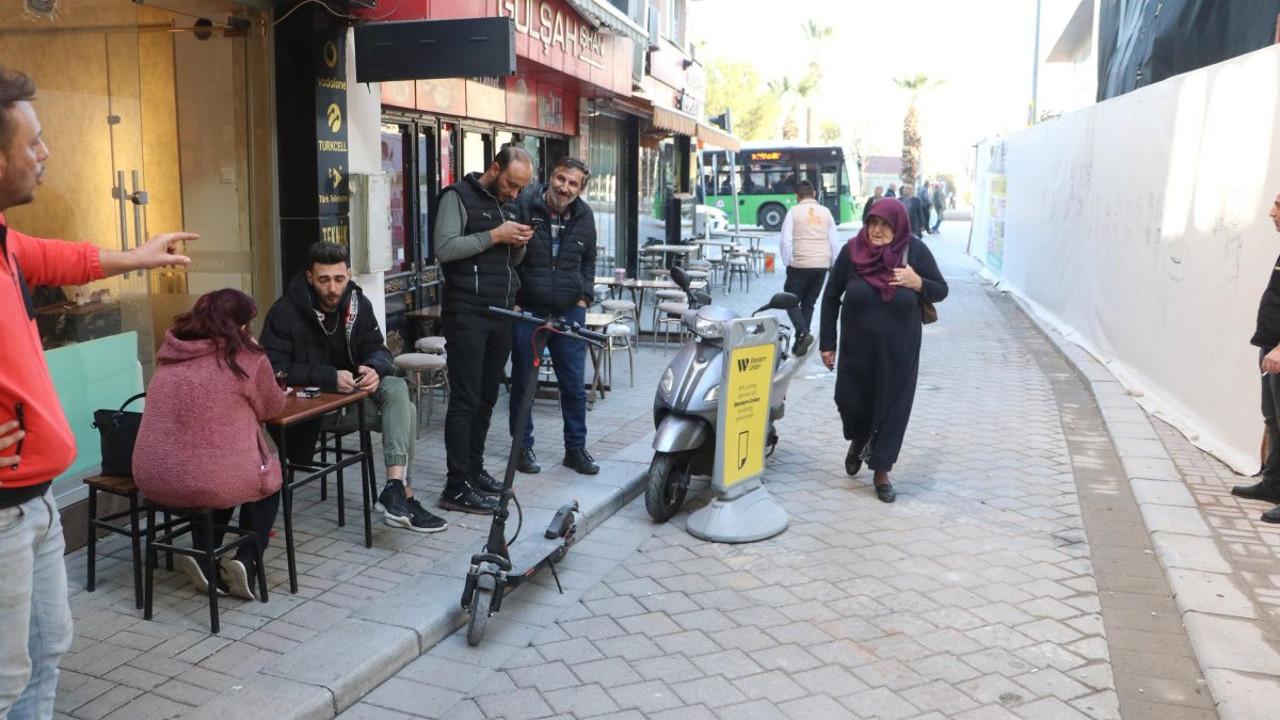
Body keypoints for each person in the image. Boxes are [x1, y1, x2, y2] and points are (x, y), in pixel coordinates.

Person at [0, 66, 196, 720]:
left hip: (33, 507)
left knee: (46, 650)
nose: (45, 153)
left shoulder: (3, 242)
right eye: (33, 142)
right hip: (2, 513)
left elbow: (62, 258)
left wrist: (138, 258)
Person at [260, 242, 447, 533]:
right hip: (312, 411)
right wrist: (328, 376)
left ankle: (395, 490)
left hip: (351, 398)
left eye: (339, 279)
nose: (333, 288)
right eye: (324, 280)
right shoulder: (285, 311)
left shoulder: (358, 304)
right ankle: (401, 495)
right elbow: (272, 368)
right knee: (406, 410)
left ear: (348, 273)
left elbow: (379, 349)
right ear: (310, 277)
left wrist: (375, 367)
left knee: (396, 387)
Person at [133, 290, 284, 599]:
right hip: (207, 481)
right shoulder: (246, 359)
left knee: (219, 475)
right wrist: (257, 354)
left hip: (152, 479)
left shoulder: (171, 354)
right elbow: (273, 407)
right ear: (241, 326)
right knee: (267, 481)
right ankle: (247, 559)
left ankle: (204, 555)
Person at [819, 197, 948, 504]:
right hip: (856, 349)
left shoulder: (914, 250)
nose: (876, 230)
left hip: (900, 351)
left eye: (884, 225)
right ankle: (859, 440)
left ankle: (881, 472)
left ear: (898, 226)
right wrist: (827, 343)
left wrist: (918, 283)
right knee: (850, 402)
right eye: (872, 222)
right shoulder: (852, 250)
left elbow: (941, 289)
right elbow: (831, 296)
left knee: (892, 410)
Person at [434, 145, 535, 513]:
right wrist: (496, 235)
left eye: (521, 188)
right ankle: (455, 485)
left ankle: (474, 471)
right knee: (465, 400)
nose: (515, 193)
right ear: (494, 168)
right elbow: (444, 248)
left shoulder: (506, 204)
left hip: (501, 313)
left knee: (487, 398)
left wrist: (519, 243)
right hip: (467, 313)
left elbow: (507, 261)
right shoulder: (456, 196)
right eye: (511, 184)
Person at [508, 157, 600, 476]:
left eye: (573, 183)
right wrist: (513, 301)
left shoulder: (585, 216)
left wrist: (584, 298)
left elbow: (589, 261)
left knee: (574, 385)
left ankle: (575, 450)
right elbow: (507, 256)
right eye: (561, 179)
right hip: (528, 311)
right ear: (552, 176)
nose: (565, 187)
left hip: (569, 311)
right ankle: (522, 448)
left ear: (580, 189)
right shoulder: (524, 204)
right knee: (524, 383)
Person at [1235, 191, 1280, 522]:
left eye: (1279, 204)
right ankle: (1274, 484)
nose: (1270, 212)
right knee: (1273, 418)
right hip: (1271, 346)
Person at [779, 179, 840, 335]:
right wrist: (832, 263)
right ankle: (802, 339)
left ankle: (802, 332)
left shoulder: (793, 212)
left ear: (796, 196)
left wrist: (788, 262)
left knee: (789, 300)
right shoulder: (826, 212)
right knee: (809, 303)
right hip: (821, 265)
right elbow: (834, 241)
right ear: (814, 194)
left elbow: (786, 240)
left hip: (800, 264)